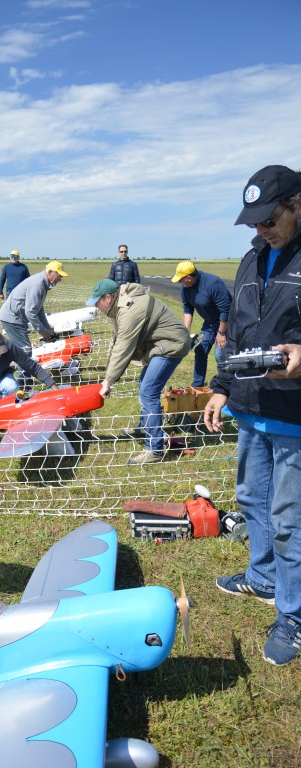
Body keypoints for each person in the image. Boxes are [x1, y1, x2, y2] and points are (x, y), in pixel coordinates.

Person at [204, 164, 301, 667]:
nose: (262, 230)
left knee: (290, 519)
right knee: (250, 498)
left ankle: (295, 615)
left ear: (298, 204)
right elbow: (236, 337)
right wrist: (220, 389)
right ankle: (261, 576)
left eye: (270, 219)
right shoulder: (250, 261)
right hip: (251, 408)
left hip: (294, 416)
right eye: (255, 223)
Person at [87, 278, 190, 464]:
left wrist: (108, 381)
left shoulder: (129, 311)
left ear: (108, 298)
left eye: (97, 301)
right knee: (145, 385)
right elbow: (117, 342)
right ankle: (145, 427)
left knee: (148, 391)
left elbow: (123, 348)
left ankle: (154, 449)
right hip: (160, 344)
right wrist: (107, 378)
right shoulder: (119, 306)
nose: (96, 306)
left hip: (172, 345)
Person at [171, 261, 232, 387]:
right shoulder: (185, 287)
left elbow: (226, 310)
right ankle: (197, 384)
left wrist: (221, 333)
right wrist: (186, 333)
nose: (179, 283)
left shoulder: (213, 283)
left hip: (228, 322)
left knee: (220, 355)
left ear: (188, 277)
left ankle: (225, 386)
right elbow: (187, 309)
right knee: (200, 350)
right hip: (209, 323)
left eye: (181, 279)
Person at [0, 329, 56, 410]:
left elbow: (31, 366)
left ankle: (6, 407)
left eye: (1, 350)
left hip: (3, 378)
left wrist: (54, 387)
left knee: (13, 387)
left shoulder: (9, 346)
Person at [0, 260, 68, 364]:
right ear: (49, 272)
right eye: (58, 275)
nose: (60, 279)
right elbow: (30, 312)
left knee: (21, 349)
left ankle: (11, 371)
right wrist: (43, 331)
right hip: (12, 318)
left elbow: (39, 309)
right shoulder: (38, 285)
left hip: (16, 318)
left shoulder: (43, 284)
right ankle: (23, 379)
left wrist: (47, 327)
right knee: (26, 350)